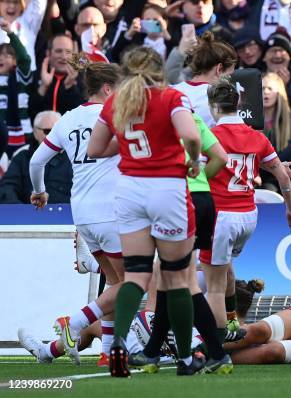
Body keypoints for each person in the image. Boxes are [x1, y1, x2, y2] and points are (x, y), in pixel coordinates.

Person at [87, 46, 203, 377]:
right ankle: (184, 357)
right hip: (166, 188)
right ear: (158, 70)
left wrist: (126, 146)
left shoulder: (116, 102)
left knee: (137, 275)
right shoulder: (170, 97)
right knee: (177, 276)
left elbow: (95, 148)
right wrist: (193, 161)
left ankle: (120, 342)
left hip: (129, 189)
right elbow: (191, 135)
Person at [28, 55, 124, 367]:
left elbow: (35, 162)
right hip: (113, 209)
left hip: (82, 212)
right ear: (108, 89)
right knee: (132, 282)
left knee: (112, 282)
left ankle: (108, 352)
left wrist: (40, 191)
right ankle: (76, 323)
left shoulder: (67, 119)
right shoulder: (116, 115)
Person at [203, 77, 291, 352]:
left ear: (213, 107)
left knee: (214, 286)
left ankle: (216, 349)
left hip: (222, 216)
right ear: (239, 105)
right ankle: (232, 322)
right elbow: (283, 176)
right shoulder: (257, 136)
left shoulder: (210, 135)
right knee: (227, 272)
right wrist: (290, 209)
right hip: (248, 215)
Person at [0, 111, 71, 204]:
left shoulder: (74, 159)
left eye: (57, 131)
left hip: (65, 215)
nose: (53, 136)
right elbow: (7, 187)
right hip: (28, 216)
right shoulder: (22, 158)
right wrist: (20, 211)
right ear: (35, 132)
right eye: (47, 131)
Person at [28, 34, 84, 118]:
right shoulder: (36, 75)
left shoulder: (82, 78)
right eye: (58, 51)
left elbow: (80, 115)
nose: (64, 57)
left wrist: (70, 87)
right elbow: (31, 112)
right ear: (48, 53)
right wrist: (43, 87)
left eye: (68, 52)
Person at [0, 17, 32, 157]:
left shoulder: (20, 78)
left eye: (7, 55)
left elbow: (25, 58)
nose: (1, 58)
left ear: (14, 61)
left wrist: (11, 34)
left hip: (21, 136)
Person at [0, 0, 46, 71]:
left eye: (16, 2)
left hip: (25, 79)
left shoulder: (28, 23)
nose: (12, 6)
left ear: (21, 5)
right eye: (7, 1)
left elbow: (39, 3)